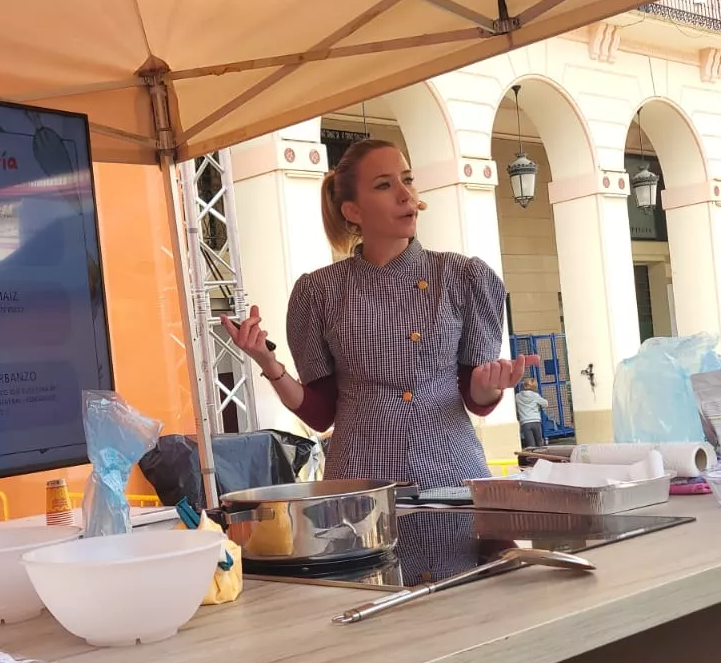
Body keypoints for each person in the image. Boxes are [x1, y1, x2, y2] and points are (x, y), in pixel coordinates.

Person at [221, 138, 538, 488]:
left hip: (453, 475)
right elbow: (321, 412)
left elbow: (476, 401)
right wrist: (267, 363)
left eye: (407, 179)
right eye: (385, 185)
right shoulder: (319, 292)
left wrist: (487, 386)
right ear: (353, 211)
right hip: (360, 482)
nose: (405, 194)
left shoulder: (463, 277)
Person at [516, 377, 549, 449]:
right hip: (536, 421)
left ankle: (532, 458)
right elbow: (545, 404)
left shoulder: (517, 396)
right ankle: (541, 458)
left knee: (530, 445)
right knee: (539, 443)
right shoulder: (535, 395)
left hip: (525, 423)